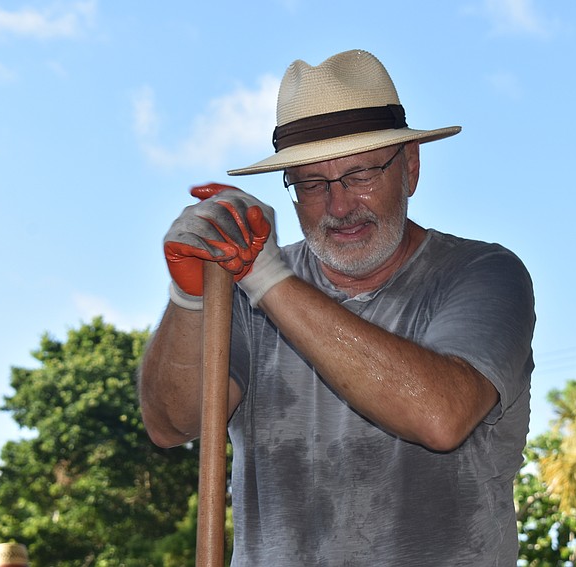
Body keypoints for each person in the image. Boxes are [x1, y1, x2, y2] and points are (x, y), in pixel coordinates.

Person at [139, 49, 535, 566]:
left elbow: (441, 415)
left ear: (410, 167)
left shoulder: (482, 273)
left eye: (362, 174)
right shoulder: (246, 287)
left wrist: (265, 277)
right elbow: (171, 425)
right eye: (311, 184)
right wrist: (189, 297)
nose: (340, 205)